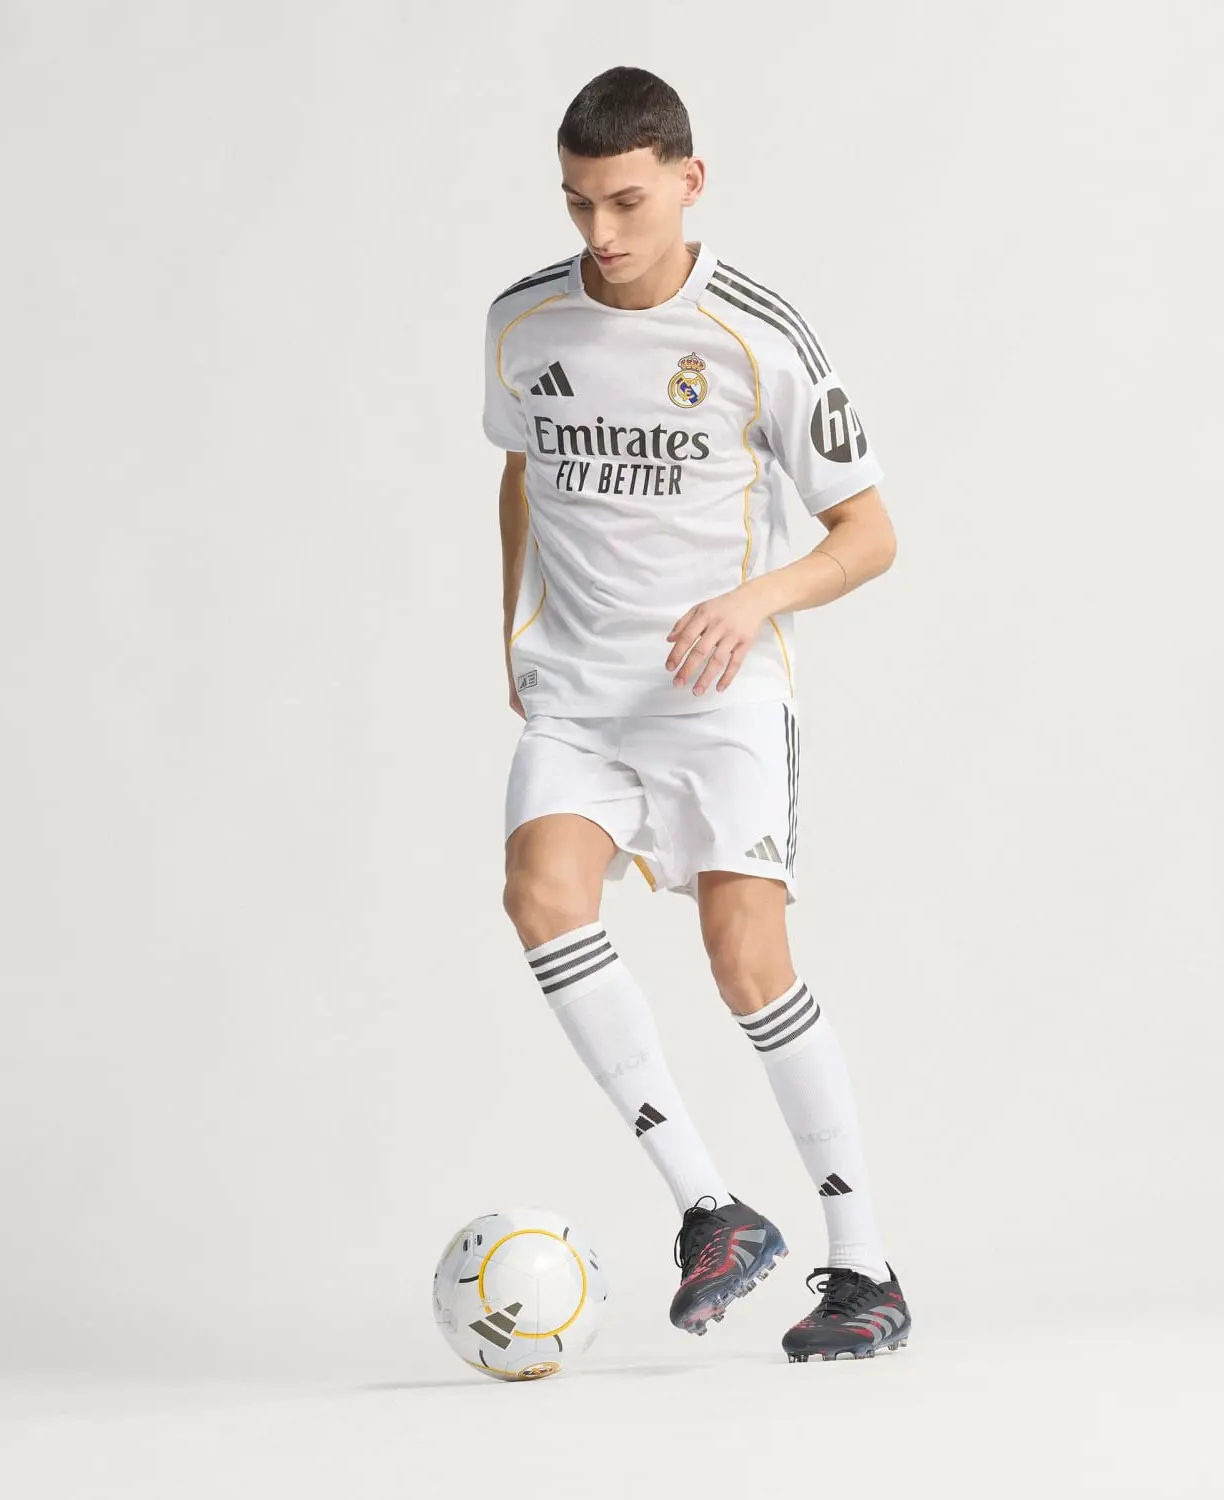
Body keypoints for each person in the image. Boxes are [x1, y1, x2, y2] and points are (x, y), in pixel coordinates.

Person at [484, 66, 911, 1363]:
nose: (601, 231)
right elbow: (520, 467)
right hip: (582, 694)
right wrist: (511, 627)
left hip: (720, 695)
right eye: (578, 203)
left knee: (746, 963)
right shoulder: (523, 321)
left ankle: (865, 1268)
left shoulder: (757, 333)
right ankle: (712, 1210)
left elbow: (869, 534)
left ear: (688, 180)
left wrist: (754, 599)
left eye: (626, 201)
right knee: (540, 896)